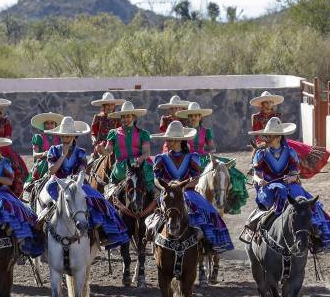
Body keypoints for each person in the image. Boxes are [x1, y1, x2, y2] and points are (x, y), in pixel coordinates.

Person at [246, 117, 330, 251]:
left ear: (278, 137)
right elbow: (256, 174)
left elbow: (295, 172)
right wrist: (259, 180)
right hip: (267, 187)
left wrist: (292, 177)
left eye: (270, 136)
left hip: (288, 184)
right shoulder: (261, 154)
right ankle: (262, 225)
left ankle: (313, 230)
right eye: (266, 135)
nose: (266, 138)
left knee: (300, 195)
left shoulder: (290, 152)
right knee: (281, 190)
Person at [40, 117, 130, 249]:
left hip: (77, 182)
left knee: (98, 200)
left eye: (68, 136)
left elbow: (82, 170)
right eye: (63, 136)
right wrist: (63, 155)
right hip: (57, 183)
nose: (65, 138)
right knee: (45, 200)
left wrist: (75, 179)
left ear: (74, 136)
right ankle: (41, 229)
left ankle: (101, 230)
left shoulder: (80, 152)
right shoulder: (53, 150)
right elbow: (52, 170)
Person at [150, 121, 234, 252]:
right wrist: (166, 188)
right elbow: (157, 179)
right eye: (167, 138)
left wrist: (182, 187)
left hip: (188, 191)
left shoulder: (192, 157)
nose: (167, 141)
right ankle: (153, 235)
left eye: (170, 139)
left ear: (179, 140)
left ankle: (206, 240)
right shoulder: (160, 158)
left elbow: (196, 179)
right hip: (168, 192)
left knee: (208, 210)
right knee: (155, 212)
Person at [178, 101, 250, 213]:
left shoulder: (206, 131)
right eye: (191, 116)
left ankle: (227, 199)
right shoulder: (183, 131)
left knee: (225, 169)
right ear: (188, 117)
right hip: (188, 158)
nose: (193, 118)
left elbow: (211, 147)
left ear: (200, 117)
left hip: (203, 157)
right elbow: (180, 147)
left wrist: (209, 152)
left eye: (196, 115)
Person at [250, 90, 329, 179]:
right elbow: (257, 133)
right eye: (266, 102)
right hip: (262, 139)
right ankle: (254, 169)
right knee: (258, 151)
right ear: (262, 104)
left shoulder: (277, 115)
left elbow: (280, 130)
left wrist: (276, 139)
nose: (269, 104)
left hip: (277, 137)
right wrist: (266, 141)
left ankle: (295, 170)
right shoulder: (255, 117)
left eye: (271, 102)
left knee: (295, 149)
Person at [103, 101, 154, 191]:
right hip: (122, 168)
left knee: (152, 189)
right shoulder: (113, 133)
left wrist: (140, 159)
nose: (125, 119)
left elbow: (146, 153)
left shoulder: (143, 133)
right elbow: (108, 151)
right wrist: (101, 150)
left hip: (140, 166)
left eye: (128, 116)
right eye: (123, 117)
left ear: (133, 117)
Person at [28, 112, 63, 184]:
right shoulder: (38, 137)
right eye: (47, 123)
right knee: (45, 164)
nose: (49, 125)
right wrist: (44, 154)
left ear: (55, 125)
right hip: (43, 163)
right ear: (43, 125)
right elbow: (34, 155)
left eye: (52, 123)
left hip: (57, 161)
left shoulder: (60, 138)